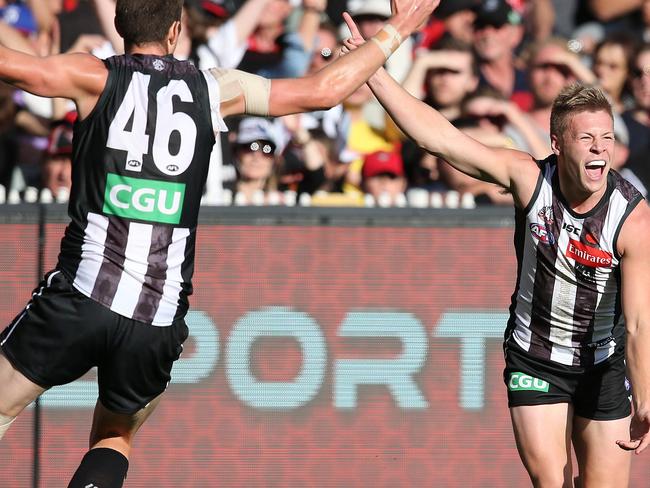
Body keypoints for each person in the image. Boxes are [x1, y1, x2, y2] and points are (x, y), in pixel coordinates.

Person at [0, 0, 437, 486]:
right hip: (157, 315)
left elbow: (10, 64)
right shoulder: (212, 88)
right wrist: (399, 27)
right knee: (113, 437)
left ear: (121, 25)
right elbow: (322, 91)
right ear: (175, 32)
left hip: (81, 295)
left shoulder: (91, 77)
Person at [343, 13, 650, 487]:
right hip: (535, 356)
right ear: (556, 143)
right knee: (552, 480)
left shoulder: (633, 217)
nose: (599, 149)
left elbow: (640, 322)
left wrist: (646, 396)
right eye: (586, 137)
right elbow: (438, 138)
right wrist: (373, 70)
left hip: (602, 364)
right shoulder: (528, 176)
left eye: (606, 137)